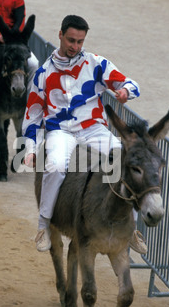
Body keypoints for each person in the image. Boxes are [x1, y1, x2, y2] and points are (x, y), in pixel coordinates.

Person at [22, 15, 146, 254]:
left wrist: (125, 93)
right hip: (60, 131)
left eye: (80, 41)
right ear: (60, 34)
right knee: (56, 166)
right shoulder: (43, 73)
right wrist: (29, 149)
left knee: (122, 159)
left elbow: (131, 84)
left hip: (93, 129)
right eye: (71, 40)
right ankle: (42, 226)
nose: (75, 47)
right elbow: (33, 116)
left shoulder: (95, 63)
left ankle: (132, 229)